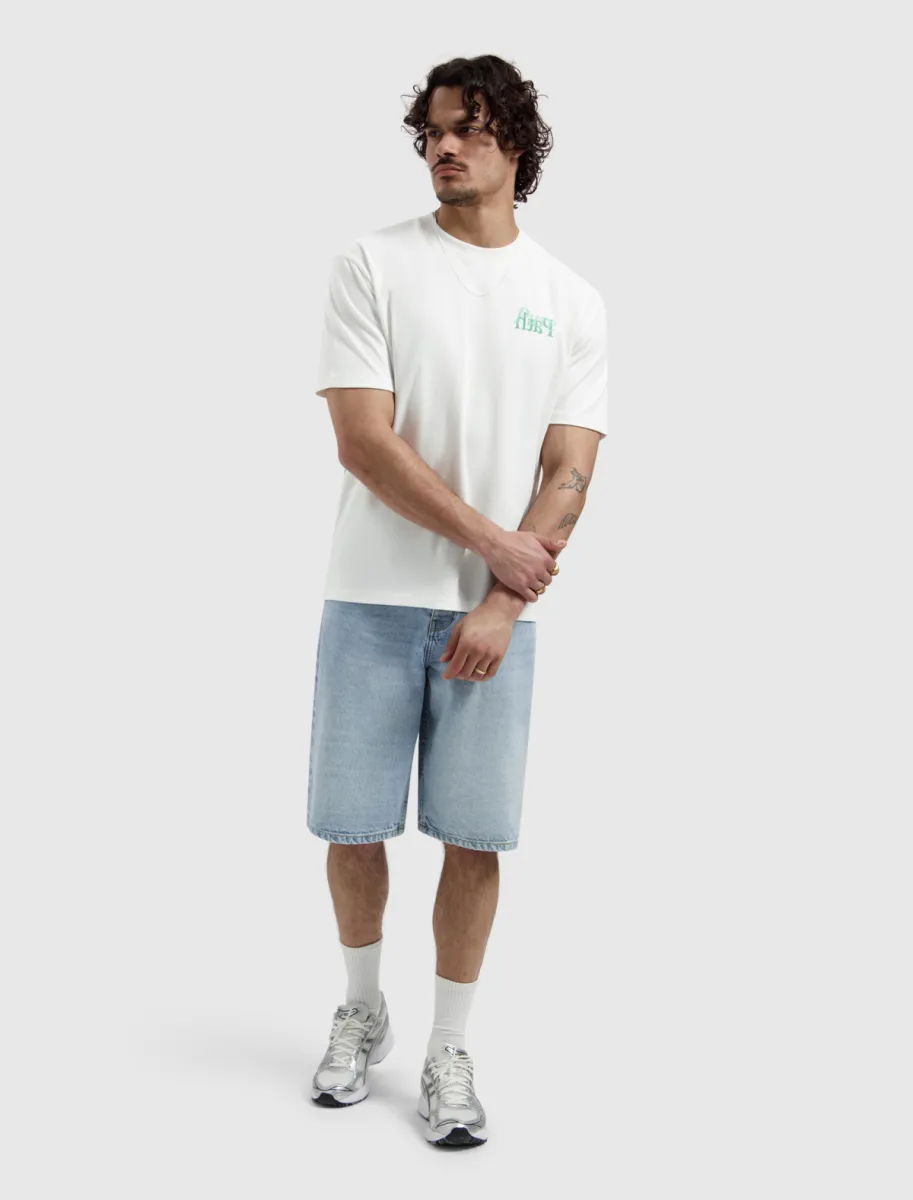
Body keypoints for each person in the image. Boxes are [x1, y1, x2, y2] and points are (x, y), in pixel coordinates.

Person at [307, 54, 608, 1148]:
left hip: (493, 617)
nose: (444, 146)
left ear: (515, 143)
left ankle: (447, 1046)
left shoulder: (569, 300)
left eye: (470, 129)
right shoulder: (373, 264)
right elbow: (362, 441)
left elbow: (569, 467)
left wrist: (500, 604)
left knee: (473, 838)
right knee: (353, 828)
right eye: (432, 130)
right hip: (371, 598)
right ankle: (360, 1008)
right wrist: (494, 548)